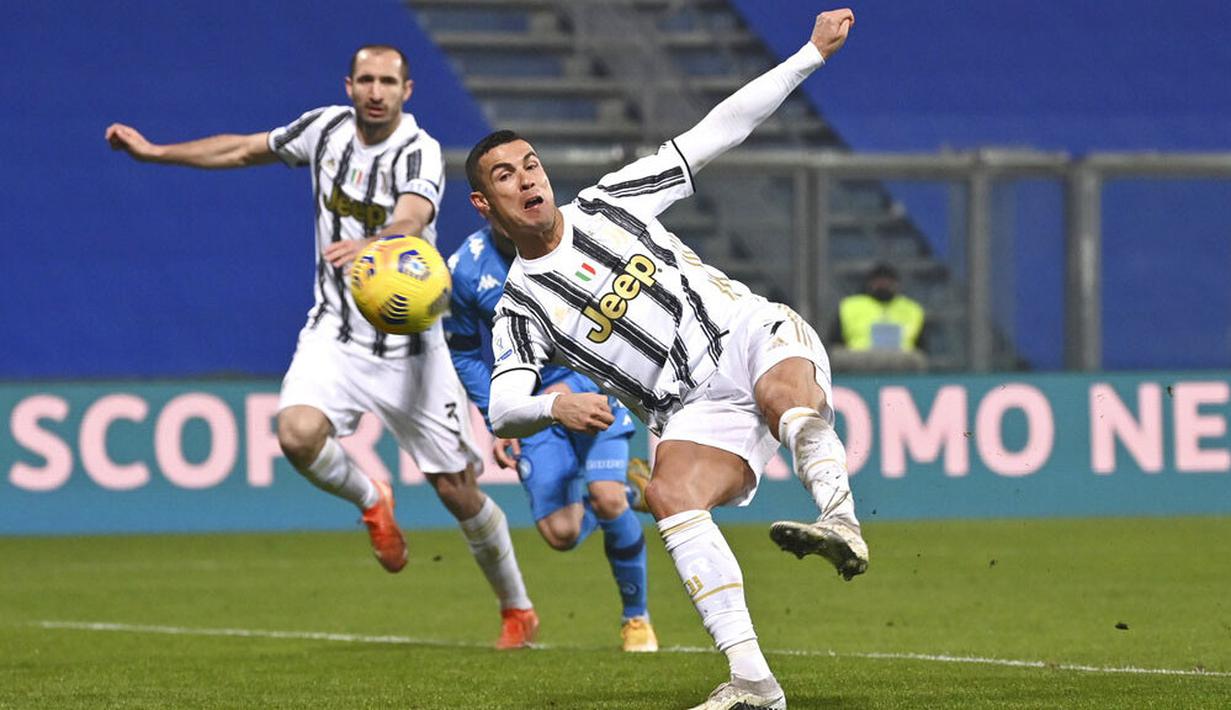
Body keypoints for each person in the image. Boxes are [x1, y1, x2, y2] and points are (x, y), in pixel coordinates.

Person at [465, 9, 864, 708]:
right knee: (669, 496)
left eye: (530, 163)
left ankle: (839, 519)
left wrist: (810, 55)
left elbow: (718, 129)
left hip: (742, 332)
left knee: (784, 400)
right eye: (505, 174)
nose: (527, 179)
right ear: (484, 202)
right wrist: (553, 404)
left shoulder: (611, 202)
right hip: (687, 406)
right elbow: (502, 407)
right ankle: (752, 682)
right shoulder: (520, 307)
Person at [105, 45, 539, 649]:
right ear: (350, 84)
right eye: (366, 79)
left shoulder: (417, 150)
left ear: (407, 90)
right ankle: (371, 497)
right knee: (297, 433)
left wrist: (374, 243)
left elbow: (413, 216)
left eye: (388, 81)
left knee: (457, 491)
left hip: (413, 350)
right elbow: (241, 148)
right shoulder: (324, 128)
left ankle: (517, 608)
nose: (376, 90)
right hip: (334, 333)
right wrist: (157, 152)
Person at [444, 225, 659, 652]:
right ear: (483, 203)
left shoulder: (577, 234)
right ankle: (631, 489)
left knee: (605, 497)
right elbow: (464, 352)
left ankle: (636, 618)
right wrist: (499, 414)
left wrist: (576, 385)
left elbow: (614, 316)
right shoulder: (465, 269)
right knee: (561, 534)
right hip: (531, 402)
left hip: (592, 385)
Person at [830, 262, 929, 353]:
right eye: (879, 281)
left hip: (901, 364)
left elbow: (922, 348)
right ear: (869, 283)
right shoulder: (850, 306)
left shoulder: (912, 309)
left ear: (897, 284)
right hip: (858, 362)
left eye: (887, 281)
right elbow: (834, 342)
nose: (883, 285)